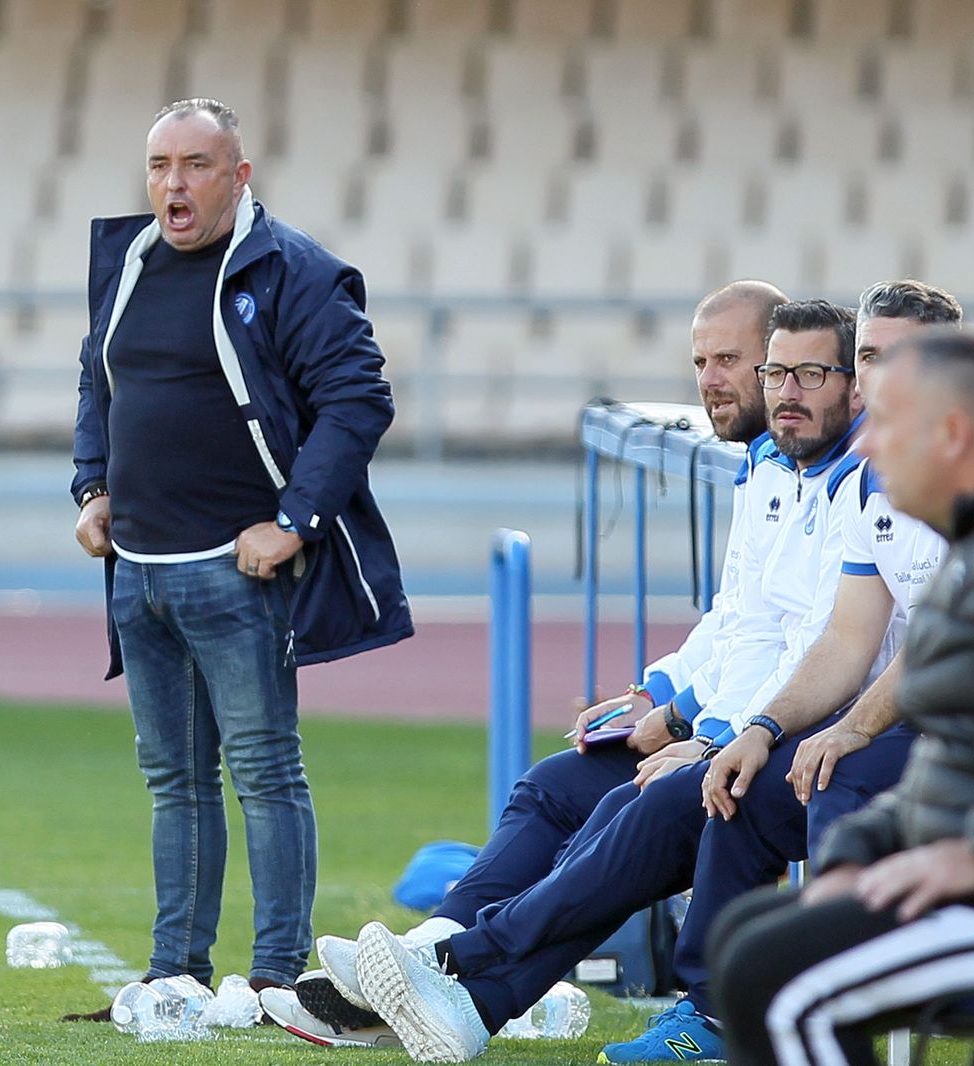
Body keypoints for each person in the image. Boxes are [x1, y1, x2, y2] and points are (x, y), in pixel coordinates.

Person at [336, 301, 871, 1063]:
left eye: (800, 372)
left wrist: (706, 732)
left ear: (852, 386)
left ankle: (463, 969)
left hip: (804, 734)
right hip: (757, 723)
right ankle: (448, 960)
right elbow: (742, 625)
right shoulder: (775, 468)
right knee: (558, 784)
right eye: (769, 371)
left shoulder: (854, 483)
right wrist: (662, 694)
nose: (725, 383)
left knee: (653, 805)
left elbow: (827, 650)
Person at [66, 98, 411, 1018]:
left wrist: (294, 522)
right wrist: (90, 488)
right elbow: (98, 382)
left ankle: (274, 978)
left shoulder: (293, 269)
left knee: (264, 771)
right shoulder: (128, 260)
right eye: (158, 167)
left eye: (195, 166)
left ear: (239, 175)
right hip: (137, 569)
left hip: (236, 569)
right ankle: (174, 970)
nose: (172, 185)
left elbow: (358, 400)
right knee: (173, 781)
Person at [710, 326, 974, 1066]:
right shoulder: (958, 561)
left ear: (952, 434)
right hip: (941, 871)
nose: (862, 447)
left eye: (884, 422)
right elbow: (944, 767)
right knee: (746, 937)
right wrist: (857, 857)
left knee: (780, 978)